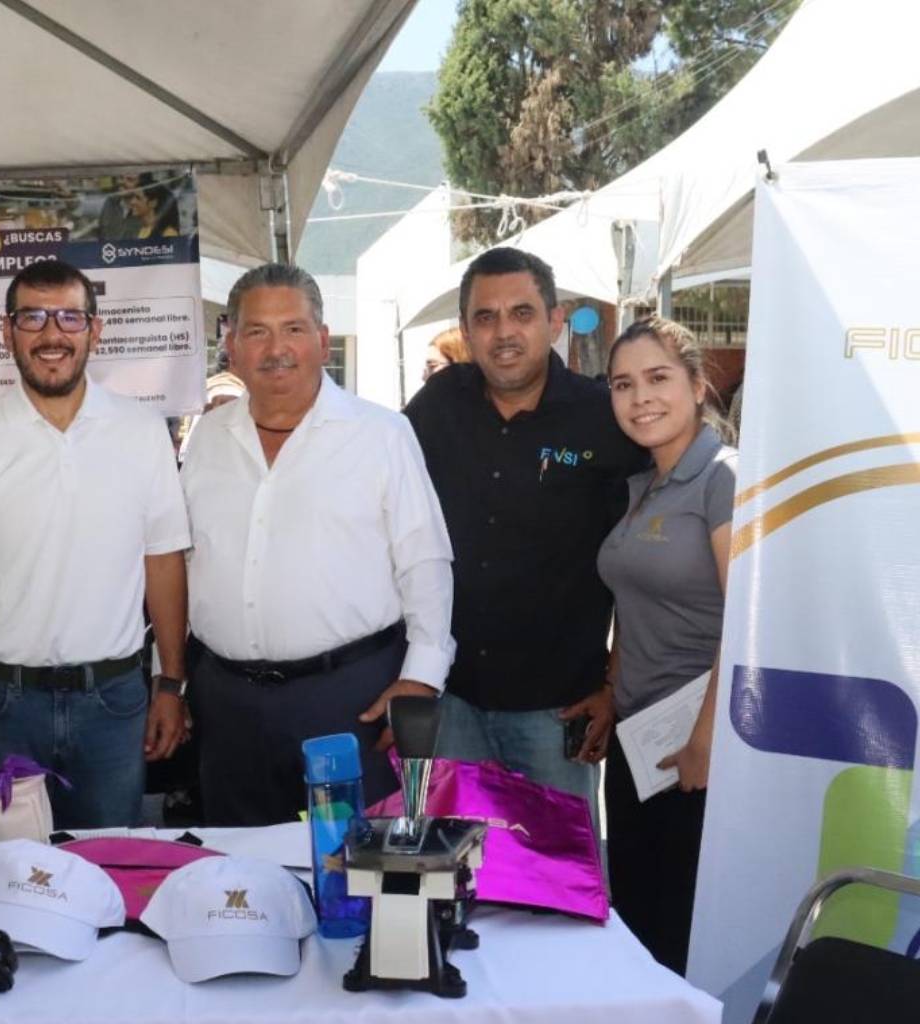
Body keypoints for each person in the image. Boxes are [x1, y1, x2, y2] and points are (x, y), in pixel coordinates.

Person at [181, 263, 455, 826]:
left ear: (323, 340)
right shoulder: (208, 436)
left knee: (350, 877)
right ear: (231, 344)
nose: (276, 348)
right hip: (226, 703)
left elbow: (424, 560)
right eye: (256, 331)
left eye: (294, 329)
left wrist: (421, 675)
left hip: (346, 700)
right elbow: (186, 558)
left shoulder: (381, 434)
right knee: (240, 885)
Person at [0, 259, 189, 830]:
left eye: (70, 317)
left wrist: (171, 683)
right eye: (33, 317)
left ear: (95, 331)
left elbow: (163, 562)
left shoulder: (142, 433)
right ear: (6, 332)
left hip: (114, 703)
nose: (52, 334)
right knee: (5, 877)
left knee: (108, 868)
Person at [404, 247, 645, 830]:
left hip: (557, 711)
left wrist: (615, 683)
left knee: (559, 890)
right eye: (485, 317)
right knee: (455, 878)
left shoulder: (603, 419)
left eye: (522, 313)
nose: (504, 332)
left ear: (555, 320)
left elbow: (643, 565)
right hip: (451, 702)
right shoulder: (438, 407)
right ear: (466, 329)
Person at [597, 316, 737, 975]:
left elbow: (745, 623)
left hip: (694, 752)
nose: (640, 397)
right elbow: (632, 604)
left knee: (682, 932)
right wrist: (610, 690)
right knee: (636, 923)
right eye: (623, 384)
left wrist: (706, 739)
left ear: (697, 384)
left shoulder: (722, 480)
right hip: (636, 742)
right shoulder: (643, 485)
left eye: (657, 378)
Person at [126, 174, 180, 239]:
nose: (132, 202)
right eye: (132, 197)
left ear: (153, 203)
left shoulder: (168, 233)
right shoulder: (140, 230)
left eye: (138, 198)